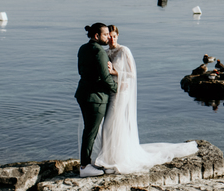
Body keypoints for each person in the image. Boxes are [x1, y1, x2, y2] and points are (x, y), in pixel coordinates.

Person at [91, 25, 198, 174]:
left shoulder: (124, 51)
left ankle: (115, 159)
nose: (112, 39)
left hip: (122, 93)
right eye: (109, 36)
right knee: (111, 125)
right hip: (111, 91)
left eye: (114, 36)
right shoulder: (106, 52)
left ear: (118, 36)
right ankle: (110, 156)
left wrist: (114, 71)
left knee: (112, 124)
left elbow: (132, 74)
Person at [76, 23, 117, 178]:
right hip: (96, 97)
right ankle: (85, 166)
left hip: (83, 93)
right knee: (91, 131)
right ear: (96, 36)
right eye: (105, 34)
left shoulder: (83, 48)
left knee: (89, 130)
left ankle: (89, 162)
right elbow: (105, 77)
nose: (108, 37)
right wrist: (117, 88)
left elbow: (82, 71)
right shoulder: (99, 51)